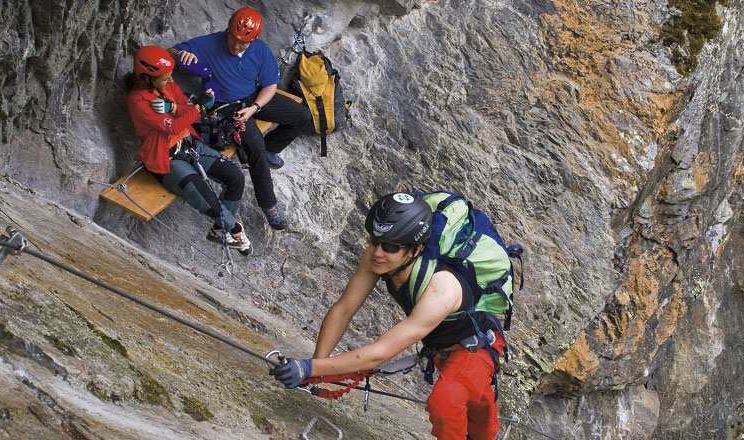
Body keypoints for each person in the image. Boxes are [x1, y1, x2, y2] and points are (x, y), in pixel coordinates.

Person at [269, 193, 506, 439]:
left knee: (447, 402)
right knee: (473, 404)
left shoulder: (442, 288)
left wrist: (309, 368)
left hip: (475, 349)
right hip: (442, 348)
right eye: (374, 240)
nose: (378, 252)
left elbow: (380, 353)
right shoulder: (378, 257)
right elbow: (344, 309)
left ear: (416, 250)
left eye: (391, 247)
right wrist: (315, 370)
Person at [170, 6, 314, 231]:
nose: (236, 45)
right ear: (228, 30)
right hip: (227, 105)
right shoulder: (210, 43)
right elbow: (170, 53)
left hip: (253, 98)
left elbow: (270, 85)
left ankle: (270, 148)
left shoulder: (259, 49)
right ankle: (268, 204)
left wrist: (255, 107)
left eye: (243, 43)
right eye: (234, 39)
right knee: (253, 143)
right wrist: (181, 55)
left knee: (303, 115)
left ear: (253, 40)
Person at [124, 45, 252, 255]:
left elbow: (184, 108)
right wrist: (198, 108)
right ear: (146, 78)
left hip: (190, 145)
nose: (170, 81)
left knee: (235, 177)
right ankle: (234, 229)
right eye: (165, 78)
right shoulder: (137, 101)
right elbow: (174, 126)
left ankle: (220, 230)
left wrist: (176, 108)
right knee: (208, 202)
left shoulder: (166, 86)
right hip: (166, 159)